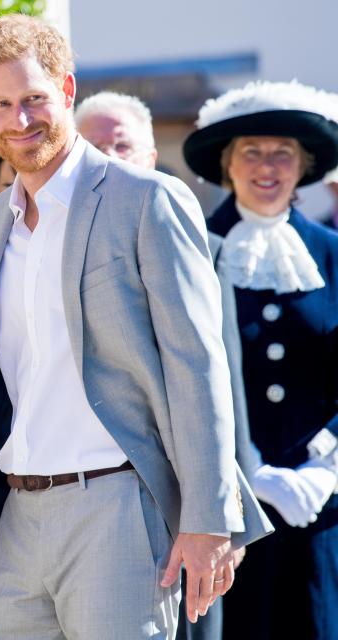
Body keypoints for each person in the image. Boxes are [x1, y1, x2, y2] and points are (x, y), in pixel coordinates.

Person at [0, 14, 272, 639]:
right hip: (16, 519)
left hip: (119, 507)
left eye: (34, 99)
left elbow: (197, 362)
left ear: (68, 89)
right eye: (1, 104)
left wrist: (209, 519)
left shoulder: (146, 200)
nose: (20, 120)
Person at [76, 89, 257, 640]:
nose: (109, 158)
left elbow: (216, 378)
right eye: (94, 147)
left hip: (188, 498)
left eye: (122, 144)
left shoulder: (195, 240)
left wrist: (226, 511)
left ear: (151, 158)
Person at [183, 80, 338, 640]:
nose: (267, 166)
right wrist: (246, 471)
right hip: (224, 513)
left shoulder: (333, 252)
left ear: (304, 167)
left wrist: (325, 466)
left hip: (318, 503)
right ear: (228, 164)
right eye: (252, 151)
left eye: (283, 154)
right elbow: (184, 371)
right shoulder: (193, 248)